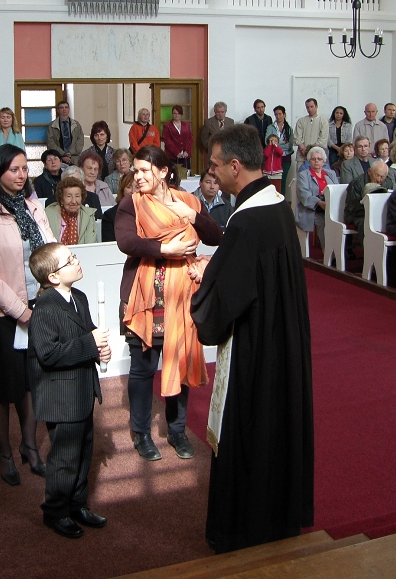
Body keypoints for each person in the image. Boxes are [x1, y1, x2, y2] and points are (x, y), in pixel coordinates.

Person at [189, 123, 313, 554]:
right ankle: (277, 516)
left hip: (255, 348)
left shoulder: (246, 221)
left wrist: (203, 283)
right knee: (276, 425)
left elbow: (223, 302)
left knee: (251, 427)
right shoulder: (276, 204)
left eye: (216, 165)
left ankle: (244, 527)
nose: (213, 172)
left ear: (236, 166)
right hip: (282, 339)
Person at [115, 145, 222, 462]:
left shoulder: (188, 200)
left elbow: (215, 236)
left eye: (145, 170)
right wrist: (167, 249)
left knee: (180, 363)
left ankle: (177, 432)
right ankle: (141, 434)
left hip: (183, 297)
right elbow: (127, 242)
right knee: (143, 369)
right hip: (144, 296)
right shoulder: (130, 204)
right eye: (136, 170)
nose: (138, 176)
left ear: (163, 172)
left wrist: (195, 217)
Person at [0, 144, 54, 488]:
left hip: (38, 306)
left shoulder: (34, 206)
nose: (20, 176)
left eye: (23, 169)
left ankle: (29, 446)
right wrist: (20, 311)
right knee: (0, 389)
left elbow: (49, 251)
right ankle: (4, 453)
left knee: (31, 382)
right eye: (13, 170)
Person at [26, 243, 111, 539]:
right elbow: (48, 355)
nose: (77, 261)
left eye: (73, 256)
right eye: (69, 260)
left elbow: (86, 333)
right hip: (61, 396)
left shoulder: (80, 297)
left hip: (81, 389)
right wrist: (90, 343)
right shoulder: (45, 309)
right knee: (64, 457)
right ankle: (56, 510)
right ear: (52, 277)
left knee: (84, 450)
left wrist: (99, 350)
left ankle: (77, 503)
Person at [295, 146, 335, 245]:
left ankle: (341, 251)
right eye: (313, 159)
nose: (316, 161)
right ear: (309, 161)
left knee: (339, 223)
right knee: (324, 222)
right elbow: (305, 195)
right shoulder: (303, 175)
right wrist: (319, 202)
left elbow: (336, 190)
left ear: (323, 161)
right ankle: (329, 254)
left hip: (330, 206)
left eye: (319, 159)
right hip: (314, 208)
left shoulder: (331, 173)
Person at [45, 177, 97, 245]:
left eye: (77, 196)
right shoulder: (48, 214)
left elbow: (90, 245)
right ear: (61, 199)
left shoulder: (88, 215)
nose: (73, 201)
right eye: (69, 196)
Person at [343, 160, 389, 234]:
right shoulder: (357, 183)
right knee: (366, 223)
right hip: (357, 215)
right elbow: (354, 208)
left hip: (377, 213)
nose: (379, 179)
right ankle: (367, 245)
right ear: (370, 171)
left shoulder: (387, 183)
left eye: (382, 177)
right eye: (377, 175)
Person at [264, 105, 294, 191]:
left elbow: (289, 144)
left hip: (285, 156)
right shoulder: (270, 127)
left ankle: (282, 200)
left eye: (280, 114)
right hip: (273, 157)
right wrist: (282, 142)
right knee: (272, 182)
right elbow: (267, 141)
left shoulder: (289, 129)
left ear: (284, 114)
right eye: (276, 114)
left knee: (283, 180)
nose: (278, 116)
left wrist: (276, 143)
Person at [46, 100, 84, 166]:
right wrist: (63, 154)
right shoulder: (52, 125)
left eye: (66, 107)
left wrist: (70, 153)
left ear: (69, 109)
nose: (64, 109)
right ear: (58, 110)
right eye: (61, 108)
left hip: (74, 158)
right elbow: (50, 143)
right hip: (58, 158)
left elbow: (80, 141)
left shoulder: (76, 125)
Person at [294, 98, 328, 170]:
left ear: (316, 106)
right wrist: (303, 149)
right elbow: (297, 137)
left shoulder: (323, 121)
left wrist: (311, 151)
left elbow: (323, 139)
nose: (309, 109)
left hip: (317, 157)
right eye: (307, 107)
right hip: (302, 156)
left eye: (312, 107)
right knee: (301, 177)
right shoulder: (301, 121)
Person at [101, 173, 135, 242]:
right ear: (122, 190)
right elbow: (109, 245)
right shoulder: (109, 215)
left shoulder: (148, 212)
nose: (133, 191)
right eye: (129, 187)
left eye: (137, 187)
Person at [162, 105, 194, 173]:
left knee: (186, 174)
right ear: (172, 114)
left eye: (178, 113)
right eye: (174, 113)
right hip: (172, 156)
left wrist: (187, 151)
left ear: (181, 114)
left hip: (185, 156)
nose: (176, 115)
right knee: (173, 175)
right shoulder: (167, 125)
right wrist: (176, 152)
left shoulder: (186, 125)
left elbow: (190, 139)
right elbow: (167, 140)